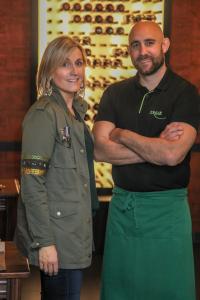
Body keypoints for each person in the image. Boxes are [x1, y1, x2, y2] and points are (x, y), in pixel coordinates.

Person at [93, 21, 200, 300]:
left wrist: (122, 133)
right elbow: (100, 151)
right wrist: (157, 146)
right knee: (121, 292)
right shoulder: (114, 93)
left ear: (164, 45)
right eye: (135, 45)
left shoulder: (185, 93)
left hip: (168, 214)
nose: (143, 51)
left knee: (169, 292)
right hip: (122, 213)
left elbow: (173, 155)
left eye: (150, 43)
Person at [14, 36, 99, 300]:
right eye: (64, 64)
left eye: (78, 63)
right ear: (50, 71)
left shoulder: (74, 115)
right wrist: (44, 242)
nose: (74, 71)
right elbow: (32, 183)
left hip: (74, 234)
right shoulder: (44, 114)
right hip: (56, 238)